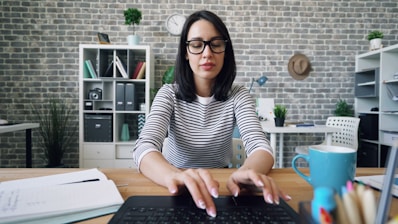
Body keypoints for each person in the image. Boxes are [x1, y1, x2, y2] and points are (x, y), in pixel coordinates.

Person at [132, 10, 291, 217]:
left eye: (216, 44)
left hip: (221, 184)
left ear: (226, 50)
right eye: (197, 45)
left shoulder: (238, 95)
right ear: (186, 53)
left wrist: (244, 174)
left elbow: (261, 147)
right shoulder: (169, 93)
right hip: (172, 181)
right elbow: (144, 147)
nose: (207, 53)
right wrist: (174, 176)